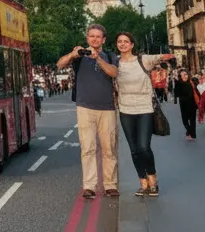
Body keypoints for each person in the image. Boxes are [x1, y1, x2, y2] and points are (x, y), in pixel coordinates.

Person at [56, 24, 120, 199]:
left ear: (103, 40)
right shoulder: (79, 57)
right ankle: (89, 186)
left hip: (107, 108)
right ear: (87, 38)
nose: (94, 39)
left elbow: (114, 72)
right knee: (88, 148)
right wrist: (72, 54)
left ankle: (110, 184)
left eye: (98, 37)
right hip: (84, 107)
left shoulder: (110, 56)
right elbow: (60, 64)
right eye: (91, 36)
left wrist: (98, 59)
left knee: (109, 148)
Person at [113, 31, 174, 197]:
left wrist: (167, 55)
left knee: (143, 147)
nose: (123, 44)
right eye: (120, 41)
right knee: (134, 149)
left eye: (126, 41)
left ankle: (153, 178)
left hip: (145, 108)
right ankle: (143, 182)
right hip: (125, 110)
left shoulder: (142, 60)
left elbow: (156, 58)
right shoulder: (115, 63)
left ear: (132, 44)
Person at [173, 69, 198, 141]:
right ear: (180, 76)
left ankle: (193, 135)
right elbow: (176, 94)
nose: (185, 76)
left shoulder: (191, 82)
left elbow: (196, 92)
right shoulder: (179, 83)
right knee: (185, 121)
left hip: (192, 104)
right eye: (182, 75)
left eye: (186, 74)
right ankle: (189, 131)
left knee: (192, 120)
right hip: (183, 105)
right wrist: (178, 84)